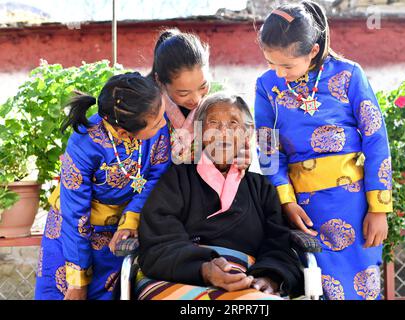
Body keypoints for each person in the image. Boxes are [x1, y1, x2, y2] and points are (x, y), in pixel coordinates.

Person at [254, 1, 391, 300]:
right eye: (270, 63)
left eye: (287, 65)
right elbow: (268, 151)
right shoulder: (266, 87)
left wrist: (379, 208)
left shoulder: (350, 75)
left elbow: (376, 140)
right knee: (312, 287)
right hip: (302, 211)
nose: (278, 73)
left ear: (313, 50)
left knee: (361, 290)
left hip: (354, 209)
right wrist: (287, 202)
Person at [135, 92, 304, 300]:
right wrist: (205, 269)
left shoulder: (261, 188)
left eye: (233, 123)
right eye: (213, 123)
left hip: (246, 282)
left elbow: (278, 245)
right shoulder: (177, 179)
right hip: (179, 277)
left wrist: (269, 277)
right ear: (200, 132)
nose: (223, 133)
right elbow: (159, 241)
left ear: (247, 133)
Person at [35, 72, 171, 300]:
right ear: (123, 133)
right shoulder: (83, 145)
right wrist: (77, 281)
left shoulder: (156, 125)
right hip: (71, 238)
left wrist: (130, 221)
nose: (164, 123)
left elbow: (156, 176)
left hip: (118, 236)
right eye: (157, 123)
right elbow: (74, 214)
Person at [149, 29, 250, 172]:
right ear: (160, 82)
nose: (196, 99)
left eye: (203, 86)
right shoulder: (150, 110)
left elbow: (238, 146)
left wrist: (240, 157)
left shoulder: (223, 103)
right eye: (183, 93)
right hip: (165, 188)